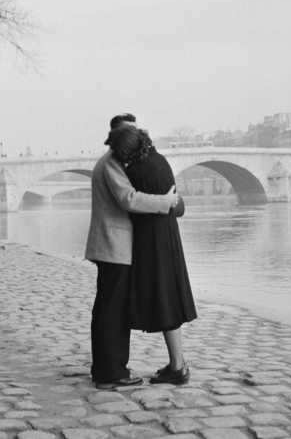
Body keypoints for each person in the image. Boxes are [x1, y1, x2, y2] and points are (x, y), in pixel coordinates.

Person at [84, 113, 180, 389]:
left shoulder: (113, 161)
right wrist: (167, 201)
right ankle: (111, 372)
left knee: (109, 309)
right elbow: (129, 199)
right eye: (130, 133)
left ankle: (108, 368)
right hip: (114, 248)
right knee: (112, 312)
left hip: (114, 248)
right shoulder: (111, 163)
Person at [108, 126, 197, 385]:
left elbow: (131, 205)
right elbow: (177, 204)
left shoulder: (135, 171)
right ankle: (177, 364)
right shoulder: (159, 161)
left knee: (163, 300)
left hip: (152, 241)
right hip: (168, 236)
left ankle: (178, 367)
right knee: (168, 298)